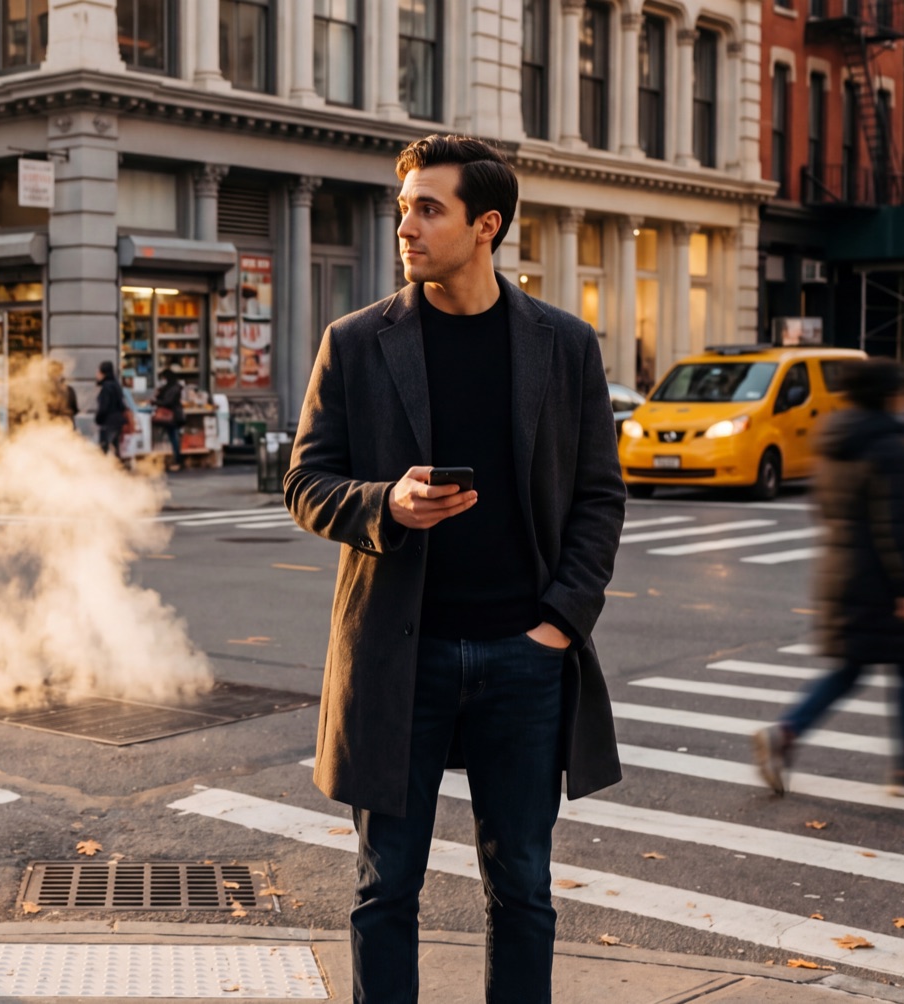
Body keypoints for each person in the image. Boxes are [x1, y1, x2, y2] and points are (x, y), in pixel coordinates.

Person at [284, 136, 626, 1004]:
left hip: (525, 657)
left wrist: (557, 623)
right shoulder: (357, 342)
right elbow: (304, 481)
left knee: (523, 891)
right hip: (402, 659)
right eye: (403, 206)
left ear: (486, 225)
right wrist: (383, 506)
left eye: (427, 208)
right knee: (384, 889)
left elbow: (598, 498)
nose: (406, 225)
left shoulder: (565, 344)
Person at [754, 359, 904, 797]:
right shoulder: (889, 448)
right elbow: (895, 526)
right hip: (882, 581)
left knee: (851, 669)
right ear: (888, 396)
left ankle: (787, 733)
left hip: (842, 573)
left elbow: (828, 510)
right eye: (903, 390)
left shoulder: (835, 442)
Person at [152, 369, 185, 471]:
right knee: (171, 437)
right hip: (171, 416)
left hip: (171, 416)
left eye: (163, 378)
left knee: (173, 438)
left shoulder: (173, 388)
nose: (162, 380)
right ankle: (173, 459)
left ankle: (177, 459)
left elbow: (167, 402)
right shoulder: (171, 387)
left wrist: (155, 402)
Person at [94, 360, 127, 457]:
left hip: (109, 422)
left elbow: (104, 407)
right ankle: (118, 468)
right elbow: (122, 405)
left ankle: (108, 469)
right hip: (117, 421)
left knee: (104, 448)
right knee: (115, 448)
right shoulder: (116, 385)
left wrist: (98, 419)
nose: (96, 374)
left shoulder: (106, 387)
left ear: (103, 373)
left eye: (98, 372)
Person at [47, 359, 79, 428]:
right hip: (67, 425)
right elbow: (75, 409)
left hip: (51, 427)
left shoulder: (46, 391)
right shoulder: (69, 390)